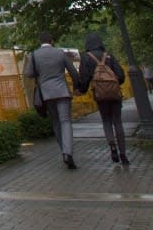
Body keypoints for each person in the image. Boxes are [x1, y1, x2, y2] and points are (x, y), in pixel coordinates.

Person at [24, 31, 80, 169]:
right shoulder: (60, 53)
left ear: (40, 41)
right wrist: (77, 87)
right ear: (52, 41)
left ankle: (63, 151)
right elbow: (73, 71)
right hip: (62, 91)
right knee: (65, 121)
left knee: (56, 122)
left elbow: (28, 73)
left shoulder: (34, 55)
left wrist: (41, 74)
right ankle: (68, 152)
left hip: (46, 94)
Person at [77, 32, 129, 166]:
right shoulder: (109, 56)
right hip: (115, 93)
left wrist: (81, 90)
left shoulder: (86, 57)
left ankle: (112, 144)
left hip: (100, 94)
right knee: (118, 121)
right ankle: (123, 153)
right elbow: (121, 75)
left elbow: (84, 77)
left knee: (106, 120)